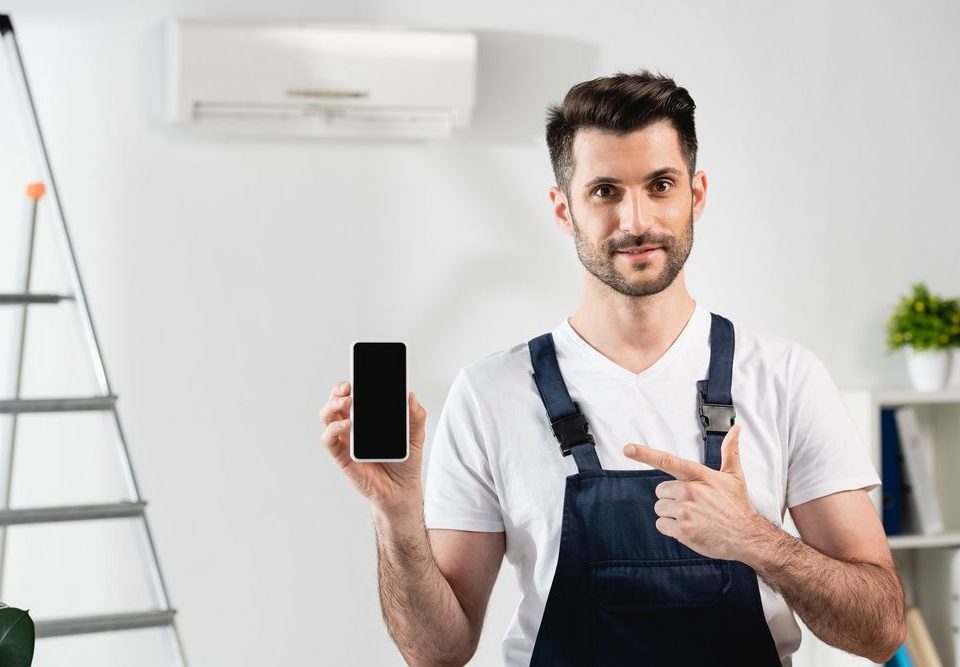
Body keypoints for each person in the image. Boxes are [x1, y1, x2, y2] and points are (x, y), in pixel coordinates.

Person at [320, 69, 906, 666]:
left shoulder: (785, 377)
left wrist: (755, 539)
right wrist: (394, 515)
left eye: (660, 185)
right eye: (604, 191)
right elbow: (436, 652)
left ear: (695, 194)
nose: (635, 222)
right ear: (562, 208)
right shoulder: (491, 393)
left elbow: (881, 630)